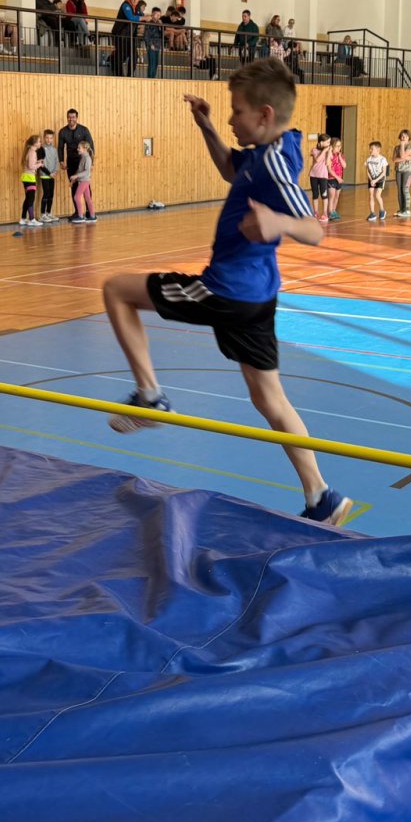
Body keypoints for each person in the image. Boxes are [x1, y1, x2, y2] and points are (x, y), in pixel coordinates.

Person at [99, 59, 352, 527]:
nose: (232, 118)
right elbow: (229, 170)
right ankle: (322, 495)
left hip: (225, 290)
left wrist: (275, 222)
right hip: (256, 295)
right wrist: (207, 126)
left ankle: (150, 397)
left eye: (236, 111)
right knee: (269, 399)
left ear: (265, 115)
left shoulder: (275, 161)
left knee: (116, 290)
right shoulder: (267, 148)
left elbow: (314, 230)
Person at [58, 109, 94, 216]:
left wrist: (91, 163)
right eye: (69, 117)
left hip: (83, 161)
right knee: (73, 186)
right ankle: (78, 212)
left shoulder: (84, 130)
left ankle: (89, 212)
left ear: (77, 118)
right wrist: (61, 161)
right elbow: (60, 147)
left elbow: (91, 145)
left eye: (73, 117)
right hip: (71, 162)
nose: (71, 119)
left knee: (86, 186)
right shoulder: (63, 131)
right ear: (67, 117)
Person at [112, 0, 141, 76]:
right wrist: (143, 18)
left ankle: (130, 75)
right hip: (120, 34)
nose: (135, 0)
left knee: (134, 55)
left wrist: (151, 18)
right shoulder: (126, 5)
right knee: (120, 55)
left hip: (129, 36)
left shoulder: (137, 8)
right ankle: (119, 75)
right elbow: (131, 17)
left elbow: (142, 16)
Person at [37, 128, 60, 223]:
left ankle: (48, 213)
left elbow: (56, 161)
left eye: (51, 138)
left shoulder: (54, 149)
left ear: (53, 139)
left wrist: (55, 172)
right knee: (46, 193)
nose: (49, 140)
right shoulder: (41, 149)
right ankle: (42, 215)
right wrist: (49, 173)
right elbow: (41, 164)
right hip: (45, 175)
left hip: (52, 175)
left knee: (51, 194)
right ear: (44, 138)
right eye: (47, 138)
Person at [18, 135, 41, 228]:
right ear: (34, 143)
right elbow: (31, 166)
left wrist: (37, 162)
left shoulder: (29, 151)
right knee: (31, 199)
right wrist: (39, 165)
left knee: (28, 199)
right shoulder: (32, 152)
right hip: (29, 178)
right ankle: (32, 219)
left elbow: (30, 164)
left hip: (26, 177)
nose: (40, 143)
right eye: (39, 141)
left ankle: (23, 218)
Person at [71, 139, 96, 223]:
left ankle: (80, 216)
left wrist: (76, 176)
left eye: (79, 148)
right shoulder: (83, 157)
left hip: (84, 181)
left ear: (84, 149)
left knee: (76, 197)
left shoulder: (87, 158)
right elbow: (80, 170)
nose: (77, 149)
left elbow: (87, 171)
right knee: (88, 198)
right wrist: (75, 178)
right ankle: (92, 216)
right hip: (83, 180)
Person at [364, 141, 389, 223]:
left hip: (380, 179)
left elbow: (384, 173)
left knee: (377, 195)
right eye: (370, 149)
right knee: (371, 195)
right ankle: (372, 213)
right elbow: (367, 171)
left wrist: (375, 180)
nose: (370, 150)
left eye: (372, 149)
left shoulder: (382, 159)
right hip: (371, 179)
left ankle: (382, 210)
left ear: (378, 149)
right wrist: (371, 179)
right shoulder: (368, 159)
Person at [309, 134, 332, 222]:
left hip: (323, 176)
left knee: (324, 195)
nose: (329, 144)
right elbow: (317, 160)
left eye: (329, 142)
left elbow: (327, 163)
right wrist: (324, 151)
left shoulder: (328, 151)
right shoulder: (314, 150)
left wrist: (328, 152)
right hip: (313, 175)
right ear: (321, 142)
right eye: (327, 142)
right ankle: (315, 212)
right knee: (315, 194)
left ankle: (325, 214)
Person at [393, 129, 411, 218]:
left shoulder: (410, 146)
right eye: (402, 136)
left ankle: (407, 210)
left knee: (405, 189)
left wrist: (402, 146)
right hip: (398, 170)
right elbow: (394, 160)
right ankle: (401, 209)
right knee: (399, 189)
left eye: (405, 136)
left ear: (408, 138)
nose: (403, 137)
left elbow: (401, 156)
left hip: (408, 171)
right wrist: (404, 158)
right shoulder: (396, 148)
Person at [326, 138, 346, 221]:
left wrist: (340, 157)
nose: (339, 148)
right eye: (337, 146)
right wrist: (337, 178)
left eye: (340, 146)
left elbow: (344, 166)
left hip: (339, 179)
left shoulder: (341, 155)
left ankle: (334, 211)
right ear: (332, 147)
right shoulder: (330, 155)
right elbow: (329, 169)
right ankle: (330, 212)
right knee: (332, 196)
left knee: (337, 196)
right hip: (331, 178)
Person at [144, 6, 165, 78]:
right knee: (152, 63)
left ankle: (153, 78)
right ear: (152, 14)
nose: (158, 16)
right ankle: (150, 78)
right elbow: (146, 36)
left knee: (156, 64)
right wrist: (150, 44)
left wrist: (161, 26)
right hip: (151, 45)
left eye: (159, 15)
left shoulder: (159, 24)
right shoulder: (149, 23)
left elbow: (162, 34)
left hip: (157, 45)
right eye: (157, 15)